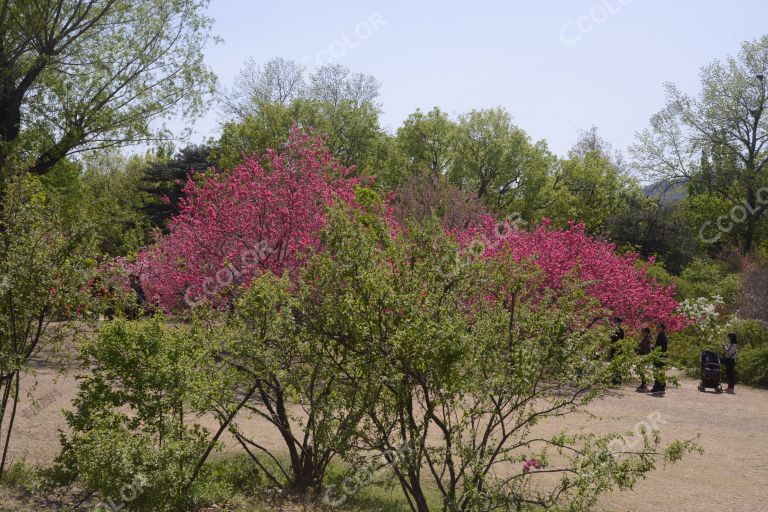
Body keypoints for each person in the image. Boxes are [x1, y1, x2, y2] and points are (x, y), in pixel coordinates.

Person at [650, 323, 668, 393]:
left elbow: (661, 348)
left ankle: (658, 387)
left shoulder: (663, 337)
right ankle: (661, 387)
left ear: (663, 328)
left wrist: (653, 347)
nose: (658, 329)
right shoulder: (660, 336)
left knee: (658, 372)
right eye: (658, 327)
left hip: (660, 356)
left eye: (659, 327)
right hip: (659, 355)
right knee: (660, 372)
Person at [635, 327, 652, 392]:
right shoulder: (647, 337)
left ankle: (644, 384)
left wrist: (637, 350)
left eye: (643, 331)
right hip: (643, 355)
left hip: (643, 355)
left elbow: (643, 347)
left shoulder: (647, 338)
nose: (641, 332)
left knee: (641, 369)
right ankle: (643, 383)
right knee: (641, 369)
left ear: (646, 332)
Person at [609, 317, 625, 384]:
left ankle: (617, 379)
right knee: (614, 364)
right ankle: (614, 379)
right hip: (613, 348)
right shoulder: (613, 330)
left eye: (616, 321)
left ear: (619, 323)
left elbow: (619, 340)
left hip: (618, 349)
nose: (614, 323)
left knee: (617, 364)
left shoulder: (620, 330)